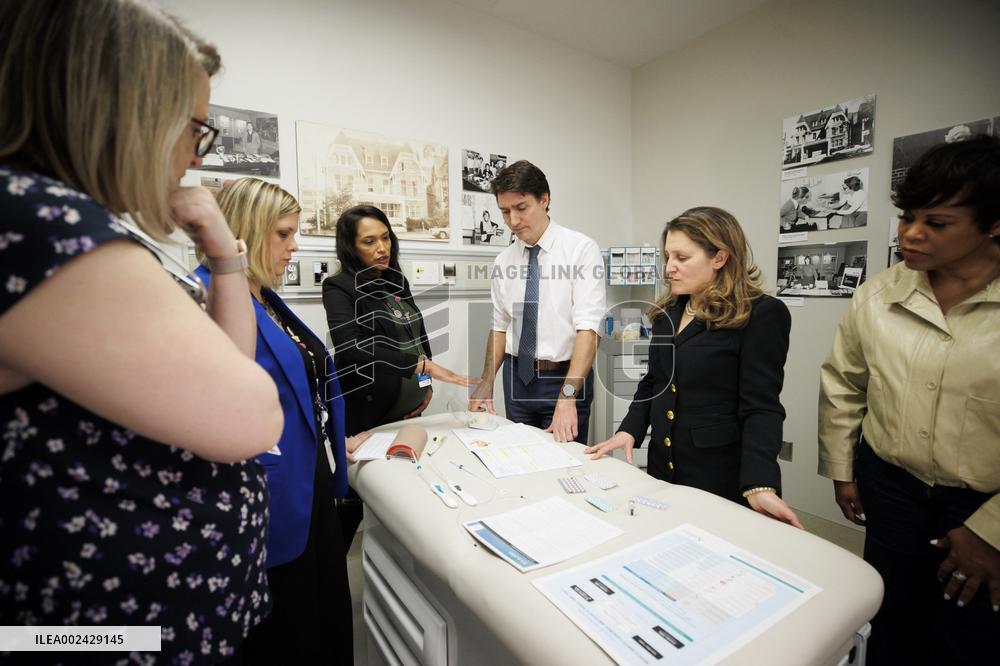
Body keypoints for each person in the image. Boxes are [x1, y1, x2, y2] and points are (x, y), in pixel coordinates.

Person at [0, 1, 285, 661]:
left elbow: (227, 362)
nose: (195, 152)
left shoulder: (81, 223)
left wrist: (223, 253)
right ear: (118, 106)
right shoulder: (46, 224)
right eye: (193, 128)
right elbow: (250, 415)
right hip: (99, 637)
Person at [818, 135, 1000, 665]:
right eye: (907, 217)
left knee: (968, 636)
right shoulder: (879, 295)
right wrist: (843, 470)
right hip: (890, 485)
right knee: (891, 615)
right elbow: (844, 385)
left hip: (981, 502)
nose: (912, 235)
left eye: (937, 223)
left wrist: (991, 531)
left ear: (993, 223)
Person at [198, 178, 364, 665]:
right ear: (247, 231)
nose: (295, 247)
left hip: (307, 480)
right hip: (269, 494)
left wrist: (338, 442)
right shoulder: (212, 296)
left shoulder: (266, 297)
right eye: (284, 234)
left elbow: (304, 381)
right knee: (291, 630)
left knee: (325, 613)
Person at [587, 207, 801, 527]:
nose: (669, 268)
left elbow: (761, 407)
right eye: (667, 256)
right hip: (664, 466)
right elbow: (654, 381)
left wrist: (760, 482)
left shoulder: (761, 314)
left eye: (682, 258)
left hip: (717, 473)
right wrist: (629, 430)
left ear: (720, 258)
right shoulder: (668, 311)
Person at [469, 160, 606, 443]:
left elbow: (589, 330)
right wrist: (486, 382)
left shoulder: (580, 250)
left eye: (521, 208)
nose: (513, 221)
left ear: (544, 200)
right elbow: (499, 327)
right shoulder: (503, 260)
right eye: (505, 211)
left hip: (564, 379)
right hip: (516, 378)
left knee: (565, 465)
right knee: (519, 460)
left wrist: (568, 397)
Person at [323, 205, 475, 435]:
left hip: (411, 412)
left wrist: (425, 386)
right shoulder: (339, 287)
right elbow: (350, 347)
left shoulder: (396, 280)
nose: (382, 248)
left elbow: (417, 339)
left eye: (386, 238)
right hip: (371, 412)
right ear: (350, 247)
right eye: (369, 241)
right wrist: (423, 367)